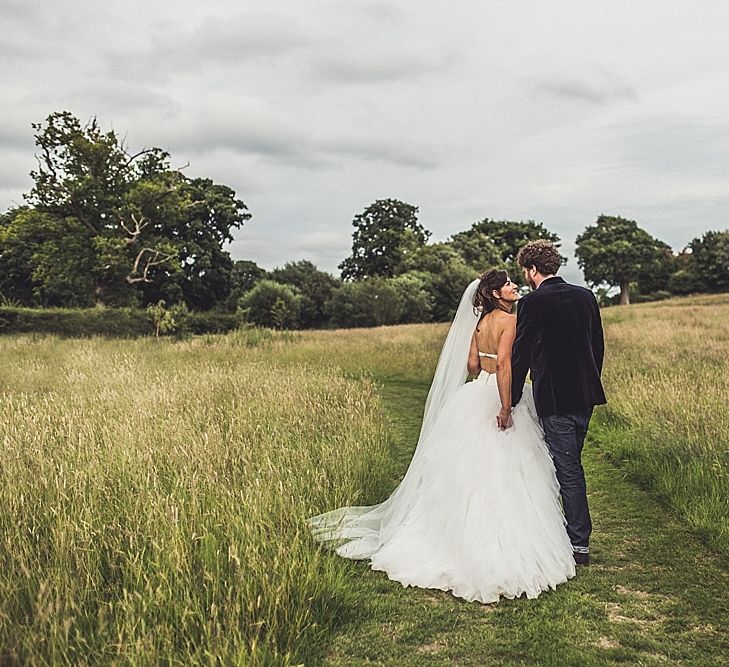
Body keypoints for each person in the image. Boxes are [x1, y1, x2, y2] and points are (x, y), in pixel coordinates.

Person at [308, 269, 576, 604]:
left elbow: (473, 364)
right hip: (500, 395)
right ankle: (500, 544)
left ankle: (452, 538)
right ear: (495, 294)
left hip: (477, 391)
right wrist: (506, 406)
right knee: (506, 472)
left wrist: (487, 368)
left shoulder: (480, 324)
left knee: (469, 473)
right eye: (508, 284)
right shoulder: (510, 321)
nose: (514, 287)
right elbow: (505, 366)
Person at [511, 240, 606, 566]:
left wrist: (509, 400)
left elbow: (520, 355)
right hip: (585, 396)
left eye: (525, 271)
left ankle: (578, 545)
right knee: (570, 464)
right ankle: (562, 532)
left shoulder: (531, 303)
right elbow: (598, 346)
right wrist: (591, 382)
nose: (525, 277)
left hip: (554, 398)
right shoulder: (586, 296)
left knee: (568, 470)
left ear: (532, 269)